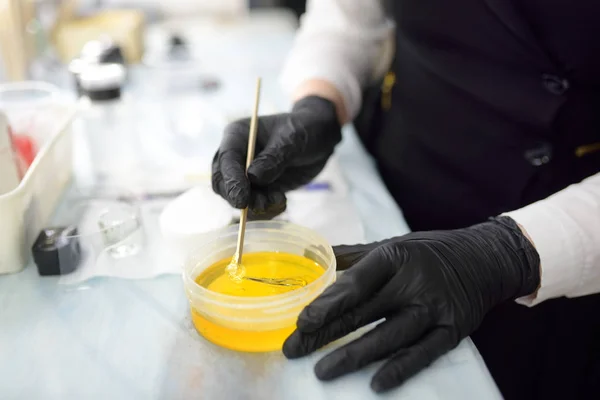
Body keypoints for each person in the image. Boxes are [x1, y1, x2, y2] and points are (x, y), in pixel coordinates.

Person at [211, 1, 600, 398]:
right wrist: (320, 99)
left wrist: (510, 252)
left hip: (563, 245)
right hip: (403, 166)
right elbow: (348, 18)